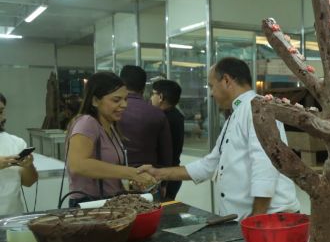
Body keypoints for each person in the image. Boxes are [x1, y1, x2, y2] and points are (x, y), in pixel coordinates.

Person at [144, 58, 299, 220]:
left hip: (271, 221)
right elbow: (209, 164)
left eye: (212, 86)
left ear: (226, 81)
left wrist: (257, 221)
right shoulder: (237, 114)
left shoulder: (257, 108)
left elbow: (265, 167)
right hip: (247, 220)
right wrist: (158, 173)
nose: (211, 94)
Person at [65, 72, 156, 207]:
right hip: (89, 205)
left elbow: (109, 172)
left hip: (109, 202)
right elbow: (77, 165)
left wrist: (134, 181)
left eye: (125, 99)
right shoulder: (87, 123)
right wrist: (132, 173)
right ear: (95, 101)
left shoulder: (110, 125)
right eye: (116, 100)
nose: (124, 105)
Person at [119, 65, 172, 170]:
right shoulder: (158, 114)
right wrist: (164, 182)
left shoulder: (111, 111)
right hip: (147, 176)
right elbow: (166, 153)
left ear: (121, 84)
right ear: (143, 87)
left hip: (115, 173)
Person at [0, 93, 38, 215]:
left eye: (1, 111)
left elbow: (29, 182)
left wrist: (28, 166)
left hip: (12, 217)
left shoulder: (16, 142)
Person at [151, 79, 185, 201]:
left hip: (166, 177)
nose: (151, 98)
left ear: (160, 97)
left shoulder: (164, 118)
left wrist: (164, 183)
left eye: (153, 94)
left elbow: (166, 153)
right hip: (171, 176)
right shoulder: (176, 115)